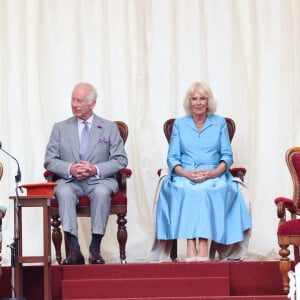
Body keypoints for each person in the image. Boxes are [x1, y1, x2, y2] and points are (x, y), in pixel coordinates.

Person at [155, 81, 252, 262]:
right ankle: (192, 245)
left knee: (206, 190)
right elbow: (172, 157)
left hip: (214, 174)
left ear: (208, 102)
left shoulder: (219, 123)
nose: (198, 103)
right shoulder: (179, 124)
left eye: (202, 98)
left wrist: (214, 173)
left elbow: (227, 156)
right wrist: (185, 173)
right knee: (190, 189)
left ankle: (203, 245)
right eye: (194, 99)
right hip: (185, 174)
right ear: (189, 102)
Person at [44, 82, 128, 265]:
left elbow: (121, 160)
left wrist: (95, 169)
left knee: (101, 192)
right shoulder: (60, 128)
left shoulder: (109, 127)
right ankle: (74, 250)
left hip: (99, 181)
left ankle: (95, 249)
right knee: (63, 192)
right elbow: (50, 160)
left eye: (80, 101)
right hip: (69, 181)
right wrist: (70, 168)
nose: (75, 104)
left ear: (92, 103)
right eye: (73, 100)